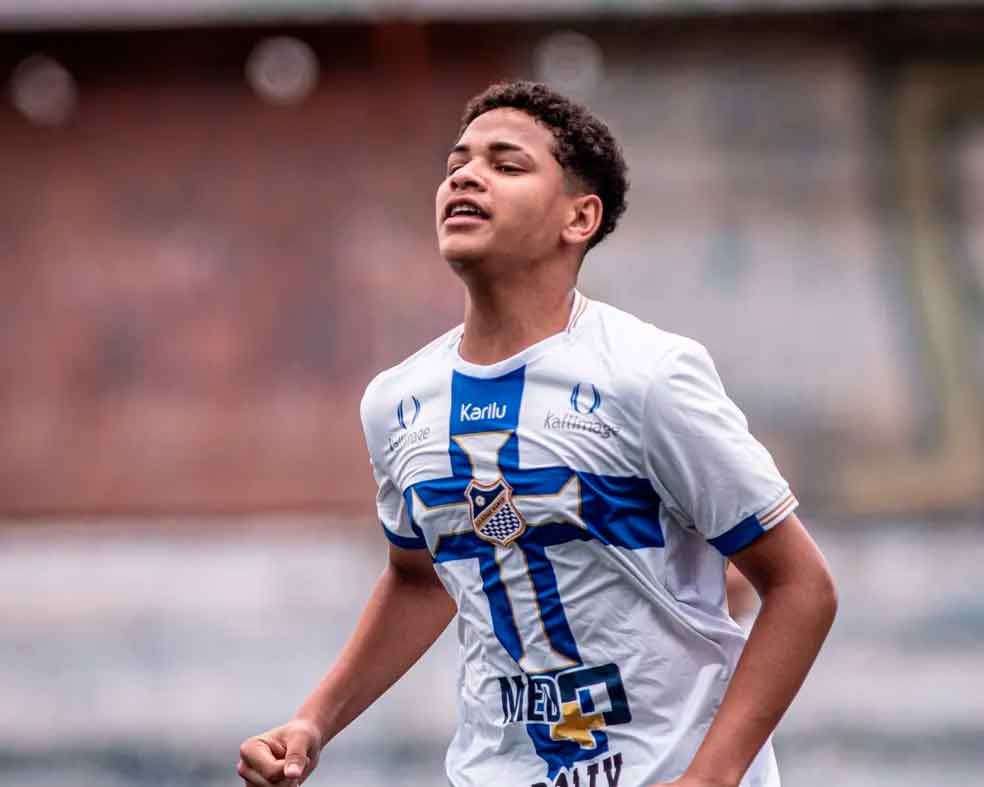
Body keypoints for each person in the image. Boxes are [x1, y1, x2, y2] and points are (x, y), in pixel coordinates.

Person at [237, 80, 837, 787]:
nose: (465, 176)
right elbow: (420, 578)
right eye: (457, 163)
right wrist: (312, 722)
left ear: (579, 217)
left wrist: (710, 776)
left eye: (506, 164)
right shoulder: (397, 401)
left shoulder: (649, 377)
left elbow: (801, 585)